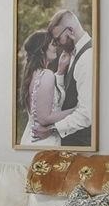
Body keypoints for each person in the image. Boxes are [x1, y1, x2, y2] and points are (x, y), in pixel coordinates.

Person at [28, 8, 96, 146]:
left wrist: (52, 130)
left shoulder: (87, 58)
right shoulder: (71, 54)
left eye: (58, 38)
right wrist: (60, 72)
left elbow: (86, 114)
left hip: (81, 144)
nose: (57, 44)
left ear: (70, 31)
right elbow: (65, 98)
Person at [20, 31, 64, 146]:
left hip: (30, 137)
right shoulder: (46, 74)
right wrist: (76, 110)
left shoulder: (31, 74)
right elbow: (44, 118)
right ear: (41, 49)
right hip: (45, 141)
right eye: (52, 44)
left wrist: (60, 72)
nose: (56, 47)